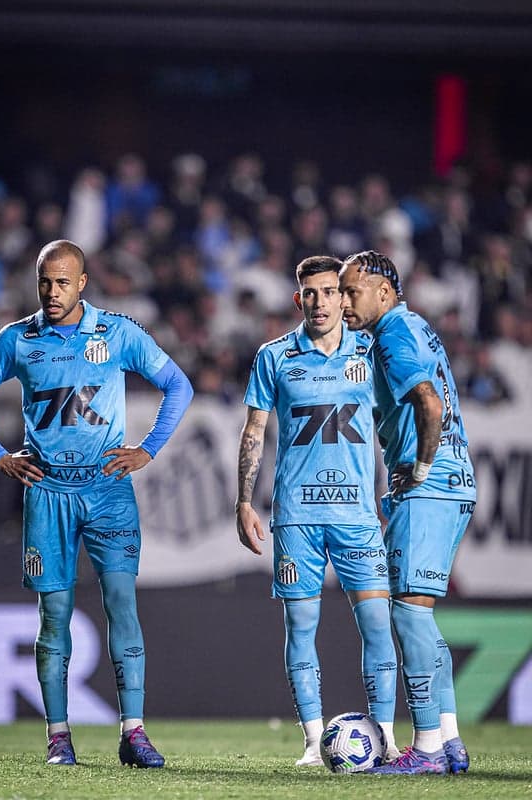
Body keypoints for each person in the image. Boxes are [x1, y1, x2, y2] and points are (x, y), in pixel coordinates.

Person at [0, 239, 193, 767]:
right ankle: (58, 736)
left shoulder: (118, 332)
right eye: (45, 281)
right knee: (54, 614)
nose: (53, 291)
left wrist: (148, 449)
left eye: (63, 281)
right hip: (48, 493)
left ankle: (134, 733)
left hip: (108, 490)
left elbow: (178, 384)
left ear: (83, 282)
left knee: (121, 605)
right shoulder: (17, 340)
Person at [236, 255, 399, 767]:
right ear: (297, 298)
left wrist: (390, 489)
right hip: (297, 519)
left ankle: (388, 738)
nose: (322, 302)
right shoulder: (274, 356)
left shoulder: (370, 351)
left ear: (343, 296)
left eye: (331, 292)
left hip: (357, 516)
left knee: (377, 624)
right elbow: (255, 432)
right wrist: (243, 499)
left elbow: (389, 426)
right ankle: (311, 741)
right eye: (312, 293)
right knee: (300, 626)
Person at [339, 250, 476, 775]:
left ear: (385, 291)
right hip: (456, 482)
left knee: (408, 613)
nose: (346, 301)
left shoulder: (394, 332)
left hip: (432, 484)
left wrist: (419, 467)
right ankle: (450, 738)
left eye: (353, 291)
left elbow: (430, 403)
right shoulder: (412, 327)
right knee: (422, 618)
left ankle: (425, 750)